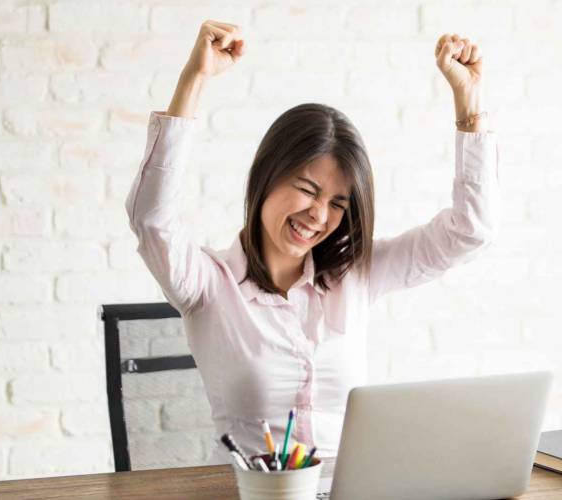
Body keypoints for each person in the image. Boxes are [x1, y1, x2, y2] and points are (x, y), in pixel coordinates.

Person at [125, 20, 497, 462]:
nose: (319, 216)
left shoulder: (357, 275)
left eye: (337, 203)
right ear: (267, 176)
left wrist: (468, 106)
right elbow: (152, 219)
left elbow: (470, 231)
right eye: (307, 189)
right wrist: (195, 79)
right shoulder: (207, 284)